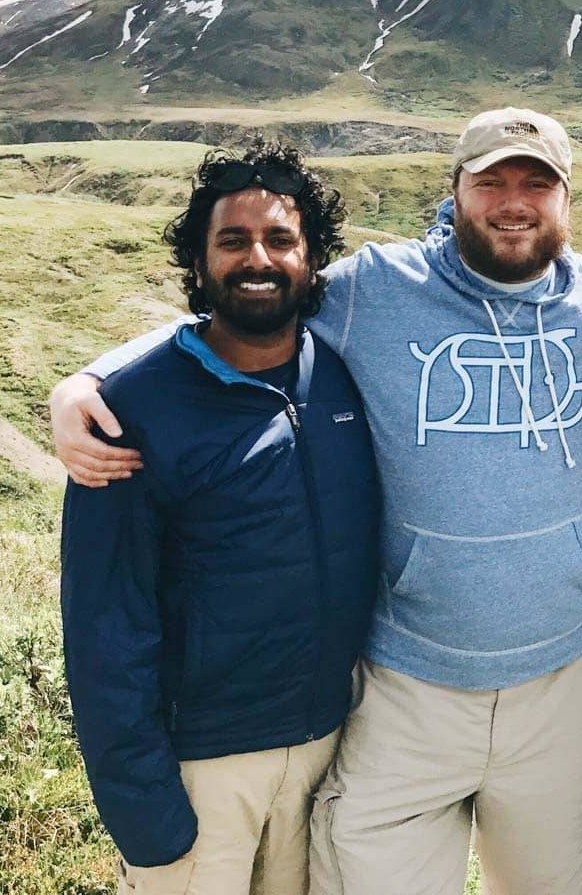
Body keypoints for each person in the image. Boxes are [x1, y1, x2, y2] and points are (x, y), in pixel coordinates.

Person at [49, 109, 582, 895]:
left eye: (535, 184)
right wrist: (92, 381)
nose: (513, 202)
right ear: (457, 192)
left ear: (565, 200)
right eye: (492, 182)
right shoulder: (376, 290)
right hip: (409, 684)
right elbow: (252, 302)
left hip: (561, 684)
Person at [59, 142, 378, 895]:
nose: (257, 259)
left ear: (311, 260)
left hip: (326, 749)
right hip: (200, 768)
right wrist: (145, 811)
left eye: (279, 239)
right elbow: (104, 625)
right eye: (233, 241)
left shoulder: (342, 376)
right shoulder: (133, 412)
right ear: (199, 264)